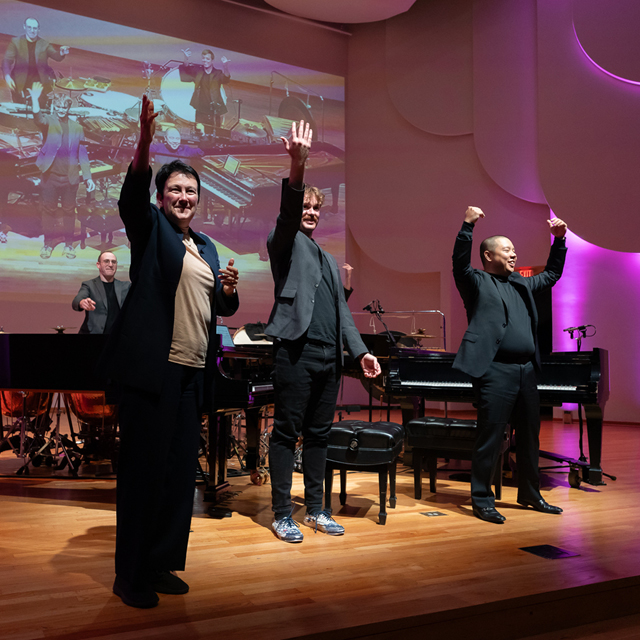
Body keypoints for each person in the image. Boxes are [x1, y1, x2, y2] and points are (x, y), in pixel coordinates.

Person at [102, 95, 239, 608]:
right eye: (176, 190)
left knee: (179, 473)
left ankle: (159, 562)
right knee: (142, 475)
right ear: (162, 198)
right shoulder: (151, 228)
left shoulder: (205, 246)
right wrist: (143, 142)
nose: (184, 197)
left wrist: (226, 289)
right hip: (152, 374)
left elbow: (223, 306)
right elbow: (131, 197)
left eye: (191, 192)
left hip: (189, 376)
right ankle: (129, 574)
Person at [266, 120, 381, 543]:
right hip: (294, 352)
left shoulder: (331, 262)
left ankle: (315, 509)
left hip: (329, 358)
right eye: (305, 207)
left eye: (316, 208)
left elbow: (343, 314)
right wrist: (299, 164)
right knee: (285, 433)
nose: (310, 213)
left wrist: (361, 352)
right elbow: (287, 213)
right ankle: (282, 513)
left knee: (317, 435)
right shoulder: (284, 243)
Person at [452, 206, 568, 524]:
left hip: (526, 370)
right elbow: (459, 262)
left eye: (514, 250)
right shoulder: (474, 281)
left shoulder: (521, 283)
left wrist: (559, 242)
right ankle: (482, 499)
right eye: (507, 250)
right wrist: (467, 225)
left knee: (530, 436)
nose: (514, 254)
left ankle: (530, 493)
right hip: (495, 371)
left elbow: (552, 275)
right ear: (488, 256)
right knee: (491, 436)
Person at [28, 82, 95, 259]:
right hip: (50, 176)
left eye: (63, 107)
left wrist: (88, 177)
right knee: (48, 211)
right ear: (54, 107)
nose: (60, 110)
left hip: (70, 178)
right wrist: (35, 98)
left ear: (68, 108)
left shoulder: (77, 128)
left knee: (68, 211)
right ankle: (47, 245)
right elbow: (37, 118)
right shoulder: (49, 121)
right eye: (57, 107)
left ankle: (68, 245)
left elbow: (83, 154)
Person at [3, 17, 69, 104]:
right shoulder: (16, 42)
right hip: (19, 82)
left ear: (38, 29)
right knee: (19, 109)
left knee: (38, 110)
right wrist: (7, 76)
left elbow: (55, 56)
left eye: (34, 28)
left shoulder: (44, 44)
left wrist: (61, 53)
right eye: (29, 27)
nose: (32, 30)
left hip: (39, 84)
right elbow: (7, 61)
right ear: (24, 27)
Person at [72, 251, 131, 334]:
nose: (110, 265)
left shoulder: (126, 286)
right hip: (93, 336)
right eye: (106, 261)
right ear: (98, 265)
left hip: (118, 338)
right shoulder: (89, 285)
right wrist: (82, 303)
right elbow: (77, 300)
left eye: (113, 262)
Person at [179, 48, 230, 131]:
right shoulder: (198, 71)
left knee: (214, 132)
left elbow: (226, 79)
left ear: (212, 61)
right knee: (199, 132)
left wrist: (225, 67)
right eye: (203, 58)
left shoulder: (217, 73)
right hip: (200, 108)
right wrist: (186, 59)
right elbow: (186, 70)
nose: (205, 60)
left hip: (214, 109)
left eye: (207, 59)